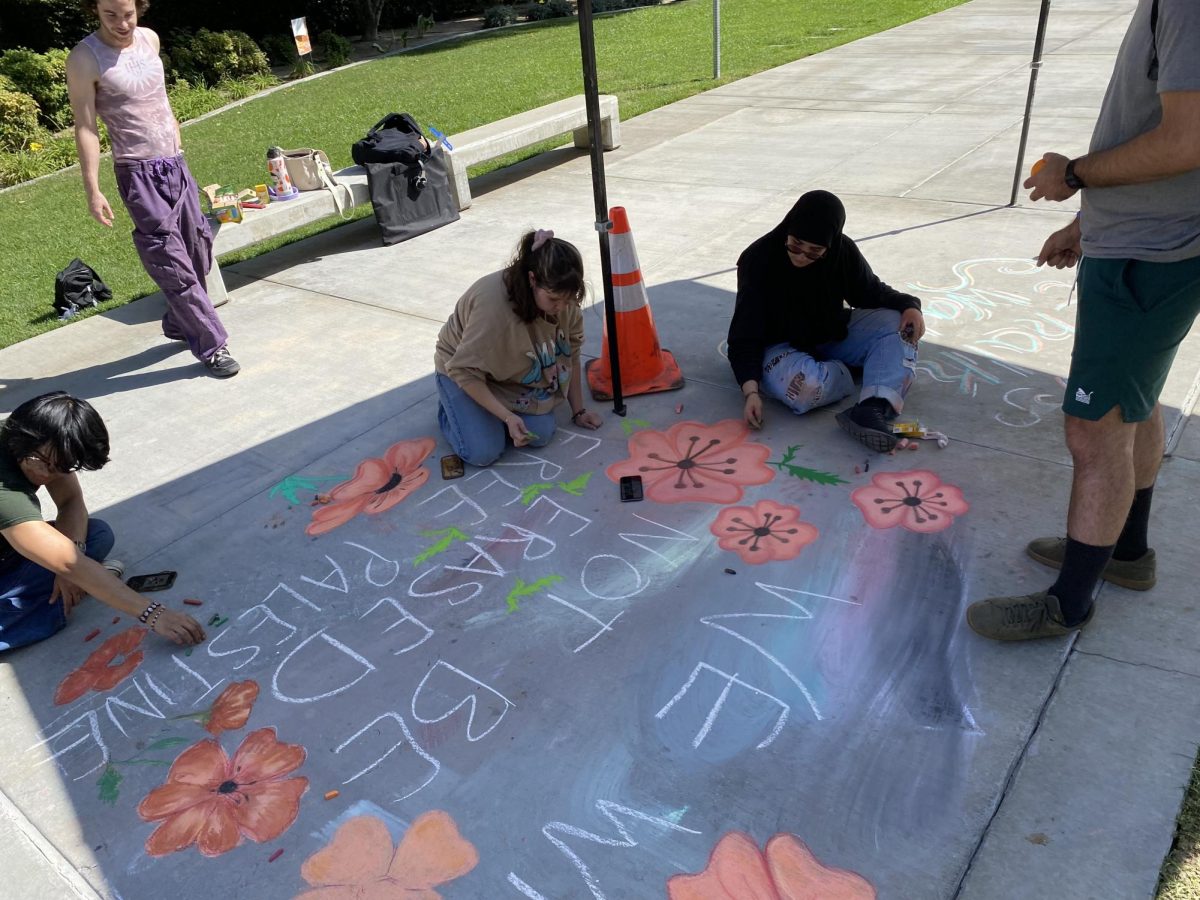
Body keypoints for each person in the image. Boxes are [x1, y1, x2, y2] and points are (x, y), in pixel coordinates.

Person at [967, 0, 1200, 641]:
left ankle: (1068, 603)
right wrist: (1088, 223)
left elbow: (1187, 139)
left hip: (1148, 258)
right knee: (1136, 402)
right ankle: (1126, 552)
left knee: (1094, 433)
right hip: (1144, 241)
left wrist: (1072, 176)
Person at [66, 0, 239, 378]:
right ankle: (213, 346)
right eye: (110, 15)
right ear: (94, 10)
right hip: (137, 171)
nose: (121, 23)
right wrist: (93, 189)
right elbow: (86, 127)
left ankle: (181, 322)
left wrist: (176, 141)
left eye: (127, 13)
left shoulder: (149, 39)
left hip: (175, 163)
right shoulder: (85, 58)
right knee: (169, 260)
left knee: (198, 249)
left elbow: (159, 100)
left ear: (138, 7)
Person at [1, 392, 206, 651]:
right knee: (60, 594)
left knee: (96, 535)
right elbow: (66, 561)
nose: (52, 475)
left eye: (63, 468)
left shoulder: (35, 438)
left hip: (8, 554)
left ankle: (79, 586)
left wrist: (72, 561)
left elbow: (70, 500)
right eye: (49, 466)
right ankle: (58, 601)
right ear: (25, 441)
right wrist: (154, 614)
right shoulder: (5, 492)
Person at [727, 190, 926, 452]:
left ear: (829, 246)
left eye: (814, 252)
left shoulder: (842, 252)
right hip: (780, 346)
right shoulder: (758, 259)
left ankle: (871, 409)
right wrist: (751, 393)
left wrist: (909, 306)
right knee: (804, 390)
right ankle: (853, 371)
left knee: (898, 325)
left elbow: (869, 291)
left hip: (829, 332)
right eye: (795, 245)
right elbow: (745, 333)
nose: (801, 256)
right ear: (788, 228)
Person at [435, 229, 603, 467]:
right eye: (554, 300)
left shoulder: (565, 300)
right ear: (532, 279)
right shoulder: (494, 311)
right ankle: (449, 409)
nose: (561, 307)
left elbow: (571, 354)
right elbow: (463, 369)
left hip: (510, 374)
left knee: (541, 433)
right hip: (462, 370)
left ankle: (484, 415)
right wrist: (507, 416)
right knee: (484, 452)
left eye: (568, 299)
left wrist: (578, 411)